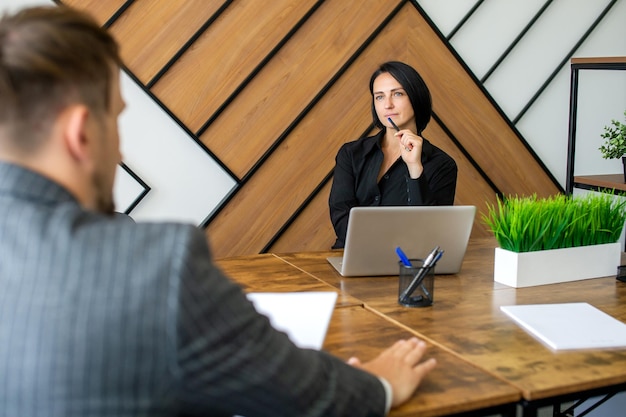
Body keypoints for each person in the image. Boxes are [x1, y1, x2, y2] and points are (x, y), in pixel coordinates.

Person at [0, 6, 436, 416]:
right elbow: (296, 388)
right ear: (81, 134)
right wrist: (378, 384)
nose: (118, 151)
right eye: (114, 121)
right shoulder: (153, 265)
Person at [329, 61, 458, 248]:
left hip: (406, 264)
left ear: (416, 97)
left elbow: (429, 232)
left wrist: (415, 169)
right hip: (350, 256)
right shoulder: (351, 154)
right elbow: (341, 217)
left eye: (397, 94)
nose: (387, 105)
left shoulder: (442, 165)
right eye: (379, 97)